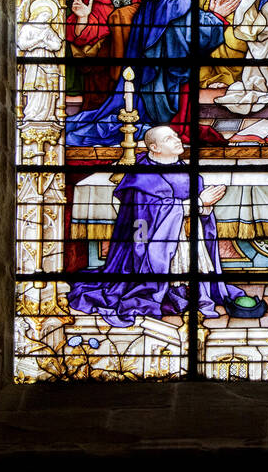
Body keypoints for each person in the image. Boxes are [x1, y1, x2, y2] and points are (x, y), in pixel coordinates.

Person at [67, 126, 245, 325]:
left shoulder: (189, 172)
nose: (177, 140)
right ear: (154, 147)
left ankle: (199, 298)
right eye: (169, 139)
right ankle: (176, 294)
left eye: (176, 136)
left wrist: (204, 207)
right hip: (149, 238)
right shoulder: (143, 177)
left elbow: (196, 207)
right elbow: (147, 216)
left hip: (187, 234)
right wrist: (199, 203)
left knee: (195, 259)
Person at [65, 0, 238, 146]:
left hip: (151, 83)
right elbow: (193, 39)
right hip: (169, 83)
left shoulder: (148, 8)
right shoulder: (178, 4)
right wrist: (217, 16)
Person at [66, 0, 143, 107]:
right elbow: (81, 40)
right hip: (105, 76)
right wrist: (83, 17)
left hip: (140, 62)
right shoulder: (92, 2)